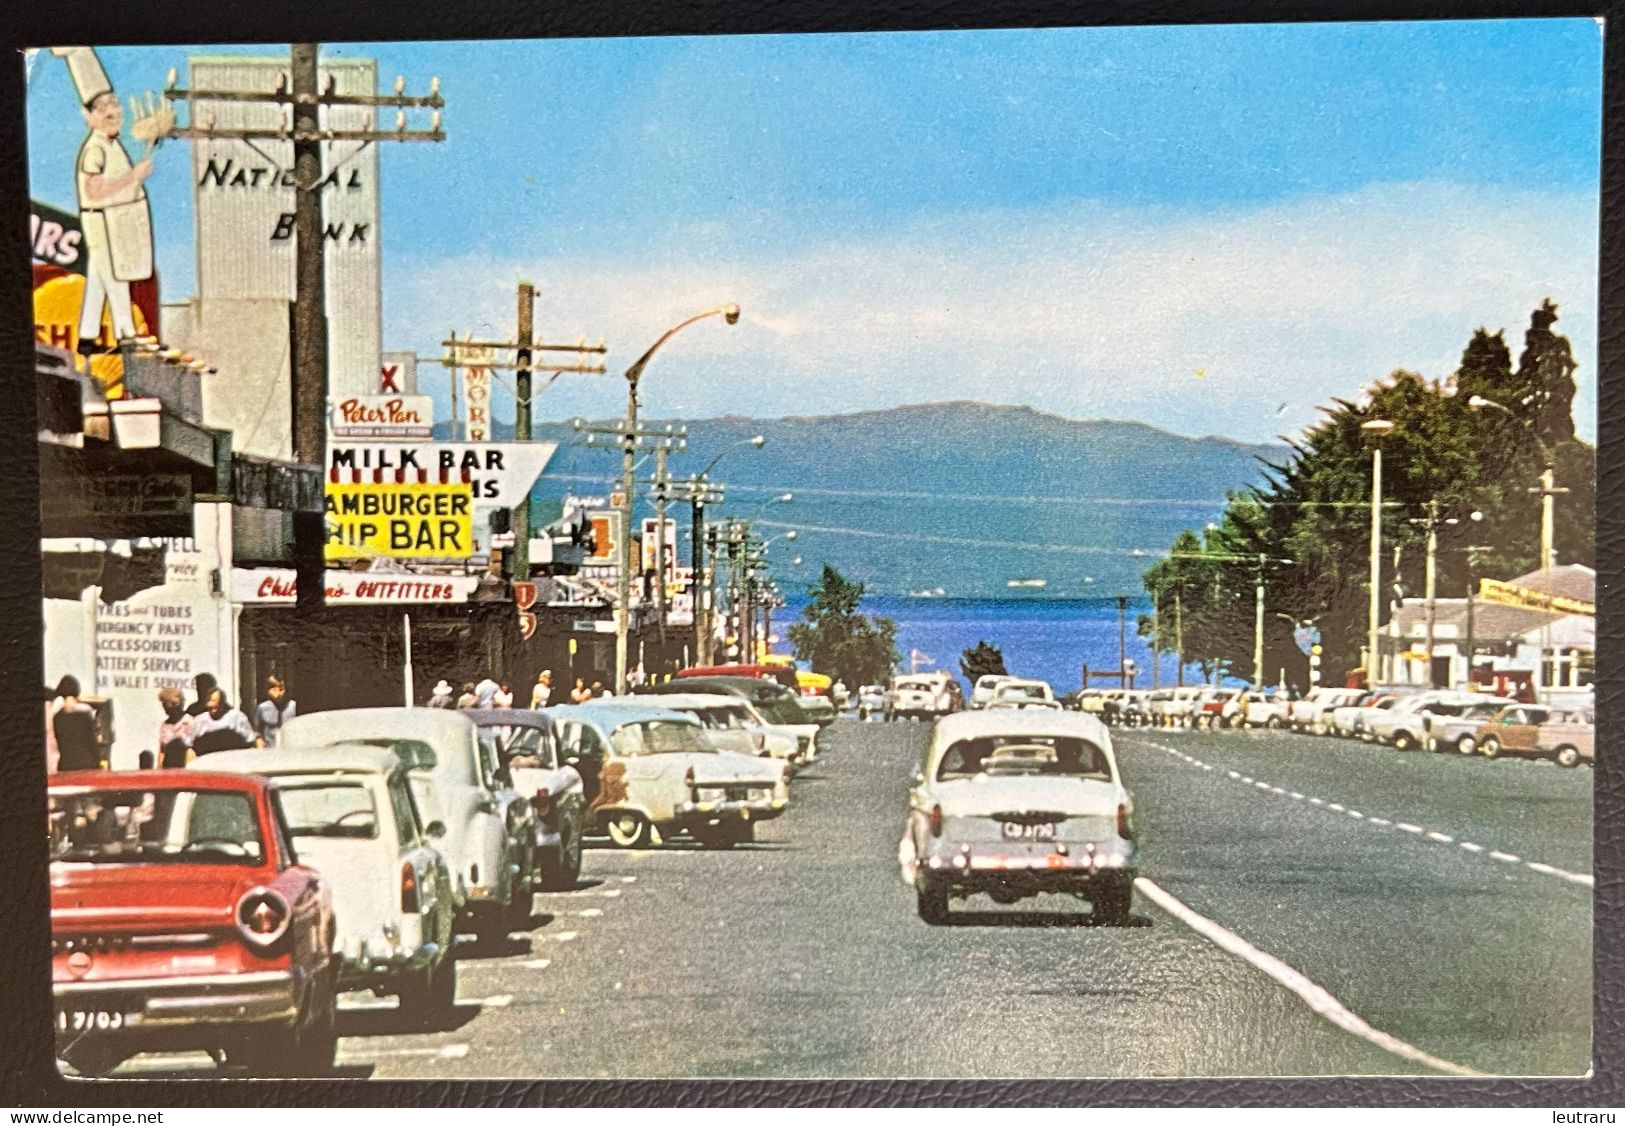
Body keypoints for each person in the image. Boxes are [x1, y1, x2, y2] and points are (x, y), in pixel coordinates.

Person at [52, 676, 101, 772]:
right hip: (87, 764)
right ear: (77, 693)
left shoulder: (57, 717)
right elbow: (92, 743)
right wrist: (98, 764)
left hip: (66, 765)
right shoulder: (85, 715)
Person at [189, 689, 255, 757]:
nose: (213, 710)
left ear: (222, 703)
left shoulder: (237, 717)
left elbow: (250, 740)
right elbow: (189, 746)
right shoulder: (199, 720)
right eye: (210, 707)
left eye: (216, 707)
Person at [253, 674, 297, 748]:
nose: (279, 693)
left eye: (281, 689)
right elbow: (258, 731)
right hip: (270, 750)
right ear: (267, 691)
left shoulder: (293, 706)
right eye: (274, 690)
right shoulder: (262, 708)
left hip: (291, 750)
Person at [156, 686, 193, 768]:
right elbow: (162, 750)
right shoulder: (165, 725)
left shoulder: (189, 721)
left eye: (166, 704)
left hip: (184, 768)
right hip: (167, 769)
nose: (165, 707)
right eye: (163, 704)